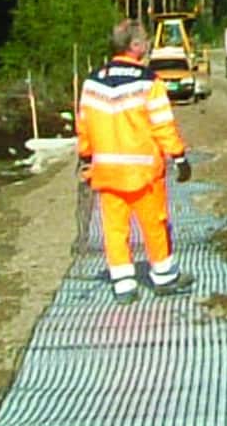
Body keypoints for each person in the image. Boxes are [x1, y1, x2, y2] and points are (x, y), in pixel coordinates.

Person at [76, 18, 194, 303]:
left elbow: (84, 124)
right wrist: (179, 156)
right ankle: (164, 276)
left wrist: (86, 158)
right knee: (155, 224)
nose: (149, 45)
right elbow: (162, 124)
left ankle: (123, 284)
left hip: (107, 172)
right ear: (136, 46)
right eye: (146, 40)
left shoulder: (92, 81)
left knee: (114, 228)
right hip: (143, 174)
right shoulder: (148, 82)